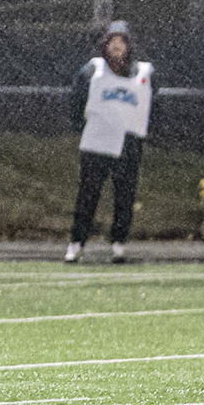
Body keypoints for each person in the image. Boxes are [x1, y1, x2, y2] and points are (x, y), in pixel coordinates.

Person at [66, 20, 155, 264]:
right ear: (104, 44)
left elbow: (154, 107)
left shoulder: (145, 73)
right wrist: (84, 127)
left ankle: (118, 243)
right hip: (97, 142)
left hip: (128, 143)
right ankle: (76, 242)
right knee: (88, 195)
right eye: (112, 41)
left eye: (121, 41)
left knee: (125, 195)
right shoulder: (93, 70)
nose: (116, 46)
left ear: (129, 45)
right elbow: (76, 103)